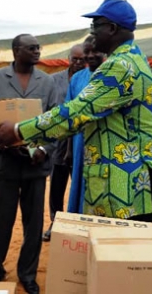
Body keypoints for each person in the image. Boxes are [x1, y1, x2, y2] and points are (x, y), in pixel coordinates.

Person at [0, 0, 152, 222]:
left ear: (111, 28)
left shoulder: (120, 67)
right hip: (130, 179)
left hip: (126, 185)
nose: (92, 33)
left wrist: (19, 130)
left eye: (94, 27)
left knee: (117, 252)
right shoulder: (133, 59)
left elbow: (77, 112)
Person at [0, 34, 58, 294]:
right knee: (0, 221)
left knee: (34, 223)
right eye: (31, 48)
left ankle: (28, 274)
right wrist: (2, 142)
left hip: (35, 165)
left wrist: (43, 149)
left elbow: (54, 122)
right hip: (4, 163)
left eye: (38, 47)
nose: (37, 51)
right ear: (16, 51)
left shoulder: (47, 82)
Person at [42, 43, 86, 242]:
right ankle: (55, 222)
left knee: (79, 183)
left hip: (79, 142)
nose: (78, 63)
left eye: (82, 59)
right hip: (58, 141)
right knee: (56, 186)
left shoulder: (89, 80)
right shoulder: (53, 80)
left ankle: (78, 224)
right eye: (74, 59)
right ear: (69, 58)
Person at [65, 35, 105, 214]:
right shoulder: (77, 79)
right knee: (80, 185)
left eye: (95, 51)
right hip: (80, 142)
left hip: (103, 143)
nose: (90, 56)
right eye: (87, 51)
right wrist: (69, 150)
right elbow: (67, 113)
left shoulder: (111, 75)